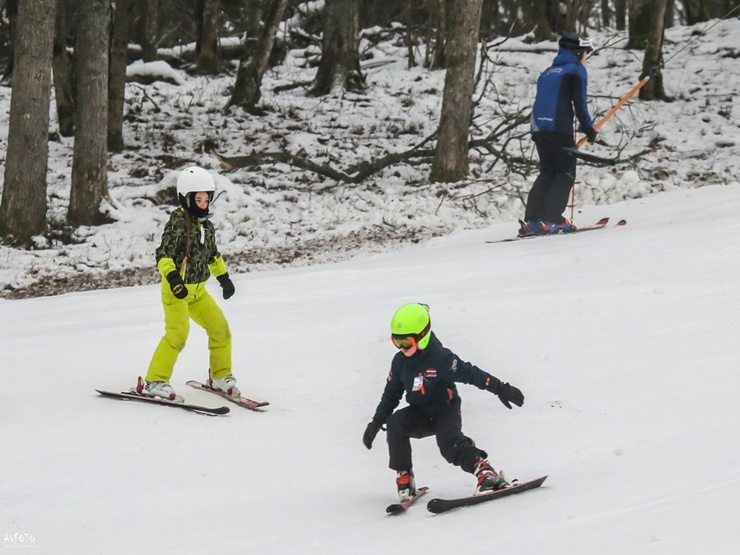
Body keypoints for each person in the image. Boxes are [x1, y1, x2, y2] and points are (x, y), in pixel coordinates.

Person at [362, 303, 524, 502]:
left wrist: (500, 387)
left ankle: (486, 472)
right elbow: (391, 394)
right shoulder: (400, 362)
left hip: (444, 411)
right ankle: (404, 476)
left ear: (423, 336)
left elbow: (470, 373)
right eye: (397, 342)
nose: (402, 348)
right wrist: (377, 421)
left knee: (449, 444)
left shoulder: (440, 358)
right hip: (419, 413)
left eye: (406, 342)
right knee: (396, 423)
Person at [138, 166, 239, 401]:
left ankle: (220, 376)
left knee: (220, 329)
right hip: (177, 290)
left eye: (207, 199)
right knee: (178, 334)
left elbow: (212, 255)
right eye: (198, 199)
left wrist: (224, 279)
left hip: (198, 291)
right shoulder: (178, 222)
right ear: (186, 198)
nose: (203, 204)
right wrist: (173, 279)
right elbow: (163, 254)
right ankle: (155, 380)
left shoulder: (207, 227)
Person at [521, 33, 597, 237]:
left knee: (547, 172)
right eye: (586, 53)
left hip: (538, 128)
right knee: (565, 173)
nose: (586, 58)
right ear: (579, 51)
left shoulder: (548, 72)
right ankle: (551, 219)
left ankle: (533, 221)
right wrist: (588, 128)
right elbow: (579, 103)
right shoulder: (575, 70)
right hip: (558, 128)